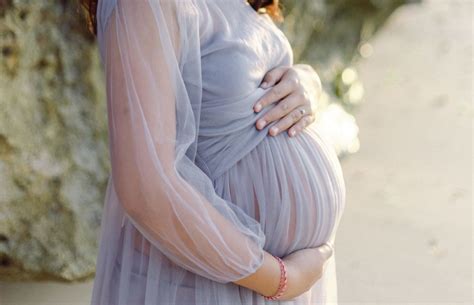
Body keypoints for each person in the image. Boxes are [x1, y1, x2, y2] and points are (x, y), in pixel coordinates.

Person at [85, 0, 346, 304]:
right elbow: (145, 188)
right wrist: (280, 279)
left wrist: (305, 81)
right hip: (208, 286)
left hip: (256, 281)